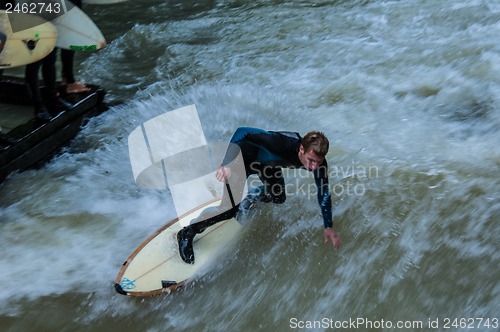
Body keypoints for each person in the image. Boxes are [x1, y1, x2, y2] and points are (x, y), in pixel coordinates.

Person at [177, 127, 342, 264]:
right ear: (301, 149)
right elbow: (242, 132)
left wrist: (328, 226)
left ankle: (251, 198)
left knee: (278, 198)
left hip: (267, 165)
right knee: (229, 211)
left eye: (318, 162)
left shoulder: (319, 164)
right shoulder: (282, 143)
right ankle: (188, 232)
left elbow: (323, 192)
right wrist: (226, 163)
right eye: (311, 160)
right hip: (241, 160)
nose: (313, 167)